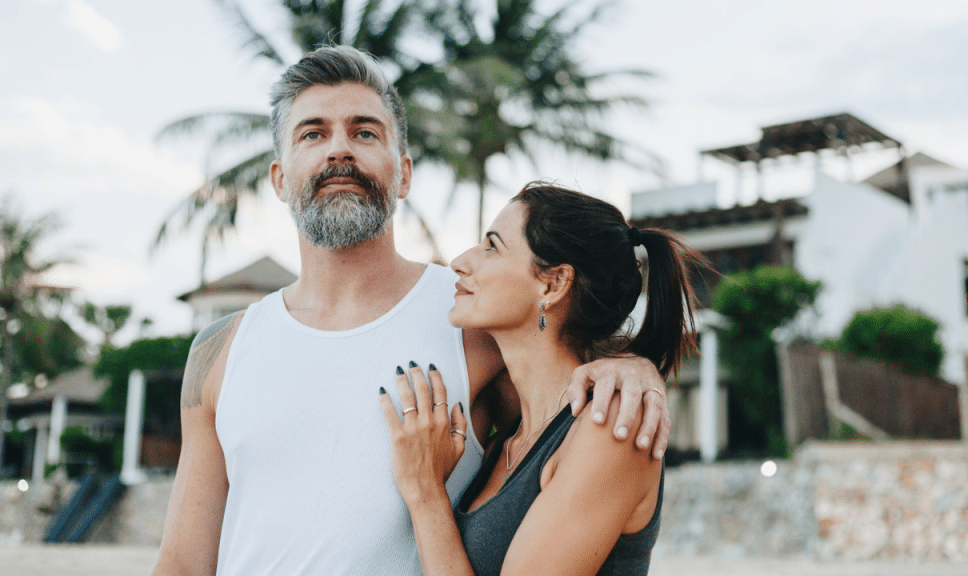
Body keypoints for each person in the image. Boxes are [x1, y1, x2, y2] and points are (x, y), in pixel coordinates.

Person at [151, 46, 671, 576]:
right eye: (313, 133)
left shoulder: (475, 323)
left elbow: (566, 381)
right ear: (281, 179)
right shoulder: (218, 353)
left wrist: (633, 367)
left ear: (403, 174)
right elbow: (183, 562)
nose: (339, 150)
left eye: (364, 132)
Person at [380, 182, 701, 575]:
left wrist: (426, 494)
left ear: (552, 284)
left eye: (492, 247)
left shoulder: (611, 426)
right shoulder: (509, 437)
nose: (461, 262)